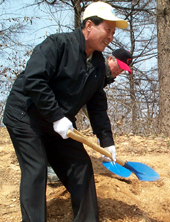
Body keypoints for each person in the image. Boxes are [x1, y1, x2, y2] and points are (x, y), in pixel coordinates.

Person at [2, 2, 128, 222]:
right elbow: (34, 80)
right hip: (26, 116)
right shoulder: (56, 45)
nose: (111, 37)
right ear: (89, 26)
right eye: (108, 29)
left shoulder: (95, 67)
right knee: (36, 169)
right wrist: (57, 116)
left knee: (81, 164)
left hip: (56, 123)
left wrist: (108, 143)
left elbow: (97, 107)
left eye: (114, 33)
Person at [47, 48, 133, 183]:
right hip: (53, 105)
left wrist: (104, 139)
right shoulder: (92, 68)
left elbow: (95, 108)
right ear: (110, 59)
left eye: (123, 69)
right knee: (61, 136)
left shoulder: (101, 76)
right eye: (119, 66)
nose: (120, 71)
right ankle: (52, 167)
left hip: (64, 109)